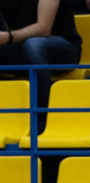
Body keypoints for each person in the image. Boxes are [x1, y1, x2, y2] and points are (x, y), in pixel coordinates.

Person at [0, 0, 82, 131]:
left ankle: (41, 119)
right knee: (30, 46)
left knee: (33, 45)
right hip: (21, 46)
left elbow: (43, 29)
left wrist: (8, 37)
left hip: (63, 50)